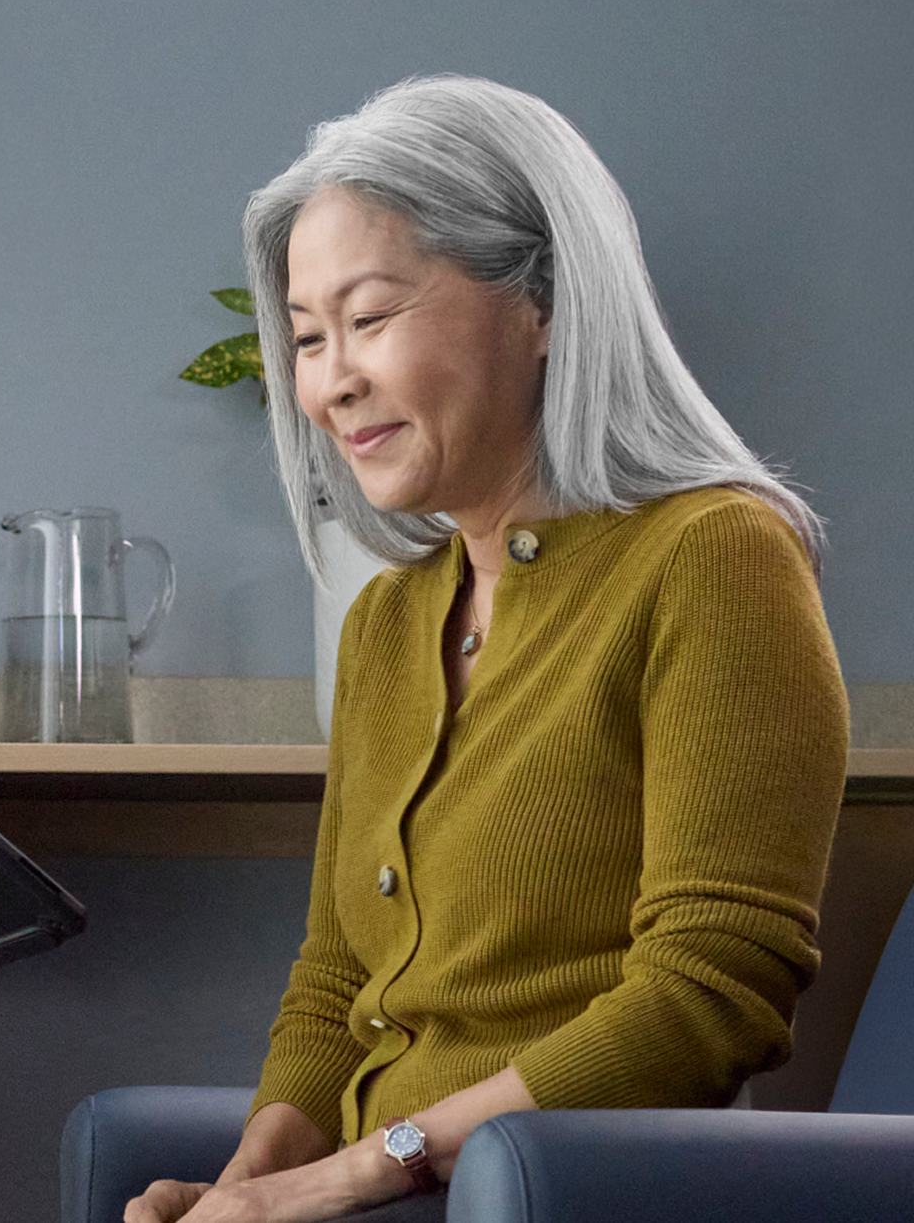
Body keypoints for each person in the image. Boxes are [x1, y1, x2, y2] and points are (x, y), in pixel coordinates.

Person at [128, 76, 849, 1223]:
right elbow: (334, 983)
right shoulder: (387, 621)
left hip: (572, 1192)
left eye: (368, 319)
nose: (329, 381)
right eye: (308, 338)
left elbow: (712, 993)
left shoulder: (714, 555)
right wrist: (250, 1186)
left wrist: (364, 1167)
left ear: (544, 300)